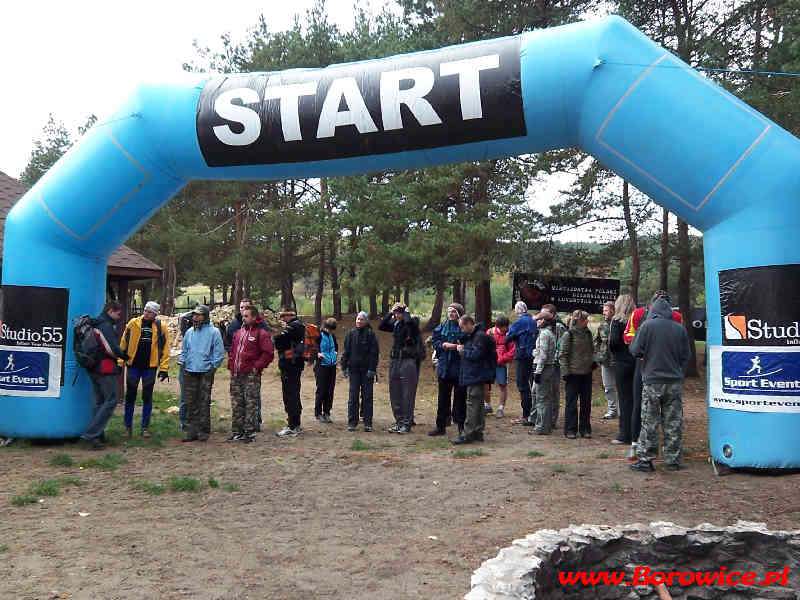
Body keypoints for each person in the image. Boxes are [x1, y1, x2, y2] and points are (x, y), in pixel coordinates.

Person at [628, 296, 692, 472]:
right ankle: (673, 460)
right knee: (673, 422)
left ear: (653, 311)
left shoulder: (647, 326)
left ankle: (646, 460)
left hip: (653, 381)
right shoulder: (680, 329)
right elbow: (686, 356)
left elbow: (634, 350)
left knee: (649, 421)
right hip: (674, 382)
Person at [119, 301, 170, 439]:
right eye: (146, 310)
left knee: (147, 397)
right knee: (130, 396)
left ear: (155, 314)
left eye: (150, 312)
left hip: (150, 367)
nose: (147, 313)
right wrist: (120, 362)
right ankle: (127, 427)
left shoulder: (161, 327)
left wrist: (164, 368)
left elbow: (165, 349)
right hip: (133, 366)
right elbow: (123, 342)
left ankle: (145, 428)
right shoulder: (132, 323)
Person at [81, 301, 129, 450]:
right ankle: (92, 434)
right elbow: (111, 348)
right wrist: (125, 356)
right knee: (111, 400)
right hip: (105, 368)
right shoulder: (105, 326)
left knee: (100, 402)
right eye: (118, 313)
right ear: (110, 311)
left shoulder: (95, 323)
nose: (119, 317)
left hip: (93, 367)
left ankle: (98, 436)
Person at [227, 305, 274, 443]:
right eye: (243, 316)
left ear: (254, 317)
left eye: (247, 316)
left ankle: (249, 433)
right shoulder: (238, 333)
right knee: (237, 403)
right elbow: (233, 350)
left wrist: (256, 367)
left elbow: (268, 353)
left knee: (250, 403)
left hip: (250, 375)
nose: (244, 318)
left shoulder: (261, 333)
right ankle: (237, 431)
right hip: (236, 374)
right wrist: (231, 364)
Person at [180, 305, 225, 442]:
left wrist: (212, 366)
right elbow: (184, 350)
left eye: (198, 315)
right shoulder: (189, 332)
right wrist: (183, 363)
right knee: (190, 401)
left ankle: (203, 430)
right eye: (194, 315)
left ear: (205, 317)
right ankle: (191, 431)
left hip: (205, 371)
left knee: (203, 401)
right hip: (189, 371)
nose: (195, 317)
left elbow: (219, 353)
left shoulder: (214, 332)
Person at [451, 315, 495, 445]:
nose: (462, 330)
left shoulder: (479, 337)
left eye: (463, 327)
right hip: (475, 374)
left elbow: (476, 355)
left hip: (476, 375)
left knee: (472, 405)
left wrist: (463, 351)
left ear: (470, 324)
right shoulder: (474, 336)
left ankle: (467, 434)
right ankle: (477, 431)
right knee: (479, 405)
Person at [379, 302, 420, 434]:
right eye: (396, 313)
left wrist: (406, 312)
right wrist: (391, 312)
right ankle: (399, 421)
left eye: (399, 313)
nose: (397, 315)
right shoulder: (396, 324)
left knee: (407, 393)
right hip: (395, 360)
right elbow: (382, 326)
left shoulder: (412, 322)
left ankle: (407, 423)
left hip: (408, 361)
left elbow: (409, 323)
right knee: (395, 392)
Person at [429, 302, 467, 436]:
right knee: (443, 399)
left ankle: (462, 427)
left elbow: (467, 344)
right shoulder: (441, 327)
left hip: (460, 368)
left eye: (454, 312)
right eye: (449, 311)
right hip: (445, 367)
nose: (451, 314)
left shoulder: (464, 328)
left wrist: (456, 346)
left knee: (461, 400)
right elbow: (436, 342)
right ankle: (441, 426)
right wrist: (445, 346)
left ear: (459, 314)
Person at [341, 311, 379, 432]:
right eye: (358, 319)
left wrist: (372, 369)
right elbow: (346, 351)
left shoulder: (371, 334)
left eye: (362, 319)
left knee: (367, 396)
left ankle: (368, 422)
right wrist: (344, 366)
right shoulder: (350, 334)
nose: (359, 321)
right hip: (354, 370)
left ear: (366, 321)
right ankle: (352, 422)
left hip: (367, 371)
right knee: (353, 397)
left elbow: (374, 353)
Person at [559, 309, 595, 439]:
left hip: (586, 373)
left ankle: (585, 428)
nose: (587, 321)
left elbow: (591, 349)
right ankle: (570, 429)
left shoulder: (588, 333)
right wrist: (565, 372)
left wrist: (593, 362)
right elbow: (563, 355)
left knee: (586, 403)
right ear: (579, 321)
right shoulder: (569, 334)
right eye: (585, 319)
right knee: (571, 403)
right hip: (573, 374)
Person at [272, 306, 306, 437]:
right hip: (294, 365)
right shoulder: (299, 326)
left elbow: (278, 341)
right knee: (293, 394)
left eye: (283, 316)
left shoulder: (293, 327)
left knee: (290, 395)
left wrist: (276, 335)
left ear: (290, 315)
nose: (282, 318)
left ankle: (292, 426)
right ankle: (295, 423)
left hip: (290, 366)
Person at [609, 294, 636, 450]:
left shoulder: (617, 321)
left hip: (622, 363)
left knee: (624, 400)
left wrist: (616, 353)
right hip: (636, 362)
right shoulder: (636, 320)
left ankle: (624, 434)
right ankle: (635, 433)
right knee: (635, 399)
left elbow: (613, 342)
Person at [506, 301, 538, 425]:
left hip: (523, 355)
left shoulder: (519, 322)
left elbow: (508, 337)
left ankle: (526, 415)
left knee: (523, 385)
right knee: (534, 385)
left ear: (517, 311)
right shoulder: (533, 320)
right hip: (534, 356)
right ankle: (535, 414)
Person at [530, 309, 557, 435]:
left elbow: (543, 355)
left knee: (542, 399)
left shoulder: (545, 334)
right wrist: (535, 352)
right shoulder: (547, 333)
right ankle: (542, 425)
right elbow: (539, 352)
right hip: (546, 367)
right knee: (542, 397)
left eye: (539, 319)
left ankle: (542, 427)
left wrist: (538, 372)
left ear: (544, 321)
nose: (537, 322)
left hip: (544, 368)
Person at [543, 303, 567, 429]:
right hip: (545, 363)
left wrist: (554, 359)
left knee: (553, 391)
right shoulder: (545, 325)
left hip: (554, 364)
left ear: (551, 313)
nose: (542, 315)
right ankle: (544, 418)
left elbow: (561, 345)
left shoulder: (559, 326)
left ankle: (552, 419)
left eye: (544, 313)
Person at [486, 316, 515, 419]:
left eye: (507, 327)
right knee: (485, 384)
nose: (506, 329)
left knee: (502, 385)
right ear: (498, 326)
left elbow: (512, 351)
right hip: (490, 364)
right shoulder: (490, 333)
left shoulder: (509, 334)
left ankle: (501, 408)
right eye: (504, 327)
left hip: (502, 364)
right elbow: (484, 347)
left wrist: (501, 359)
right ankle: (487, 405)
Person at [594, 301, 618, 420]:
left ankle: (623, 410)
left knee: (621, 386)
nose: (603, 312)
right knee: (608, 387)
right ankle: (612, 410)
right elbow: (596, 342)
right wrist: (598, 355)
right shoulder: (602, 325)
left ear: (613, 311)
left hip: (619, 361)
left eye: (606, 310)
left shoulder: (620, 324)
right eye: (603, 310)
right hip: (606, 361)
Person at [314, 317, 339, 423]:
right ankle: (318, 413)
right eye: (328, 328)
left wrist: (335, 355)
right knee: (321, 390)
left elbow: (336, 347)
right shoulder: (318, 335)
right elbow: (312, 348)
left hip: (332, 367)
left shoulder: (332, 336)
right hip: (321, 366)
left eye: (332, 329)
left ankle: (327, 412)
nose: (329, 331)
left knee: (330, 391)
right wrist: (317, 354)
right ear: (325, 326)